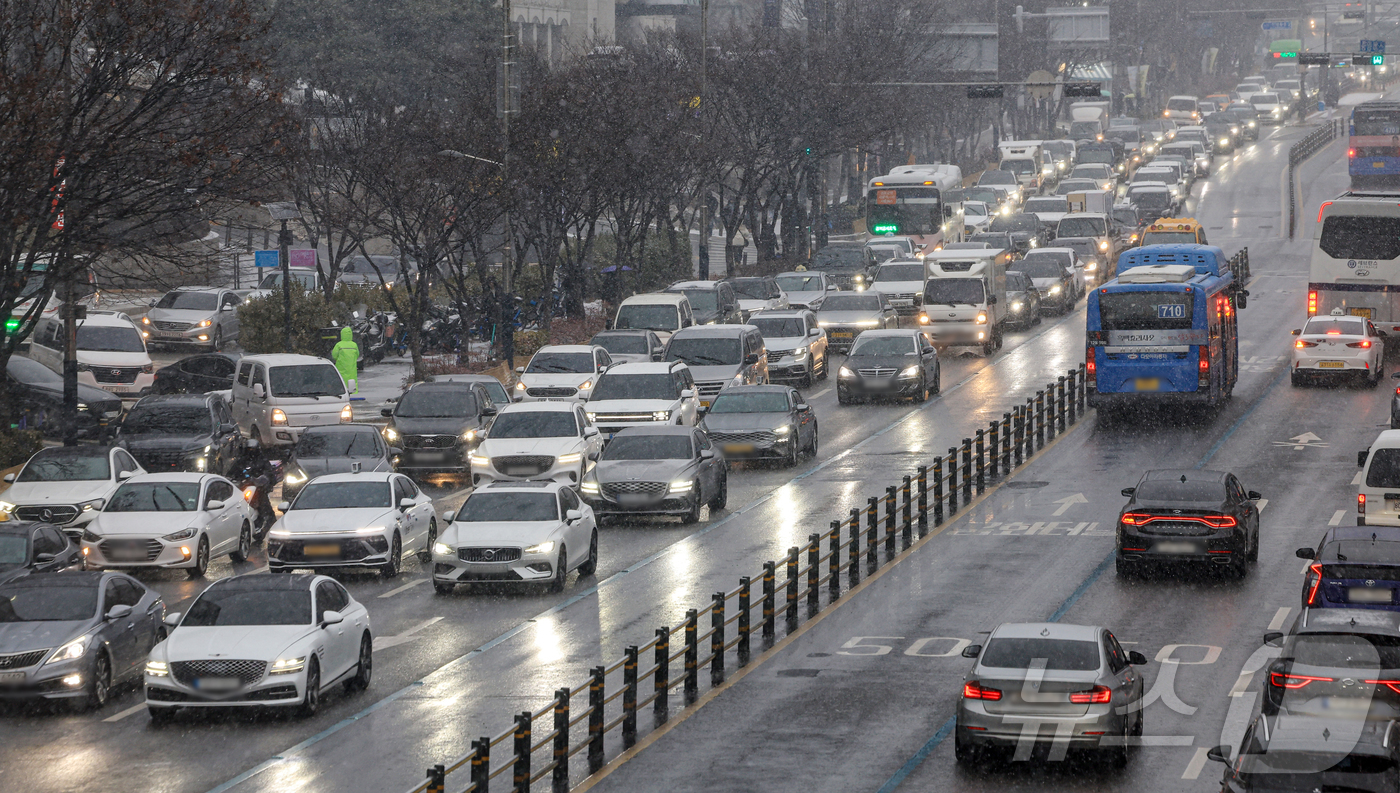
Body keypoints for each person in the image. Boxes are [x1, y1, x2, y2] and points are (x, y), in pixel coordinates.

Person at [231, 438, 278, 539]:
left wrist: (263, 481)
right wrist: (234, 480)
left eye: (253, 450)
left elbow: (270, 475)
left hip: (258, 490)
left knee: (268, 513)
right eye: (249, 449)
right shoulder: (241, 461)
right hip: (242, 490)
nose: (251, 452)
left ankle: (262, 531)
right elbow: (231, 474)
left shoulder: (262, 461)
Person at [331, 325, 358, 394]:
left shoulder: (339, 345)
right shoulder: (354, 345)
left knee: (342, 382)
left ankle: (343, 393)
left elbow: (334, 355)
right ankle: (353, 392)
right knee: (352, 382)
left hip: (341, 367)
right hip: (352, 368)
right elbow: (357, 355)